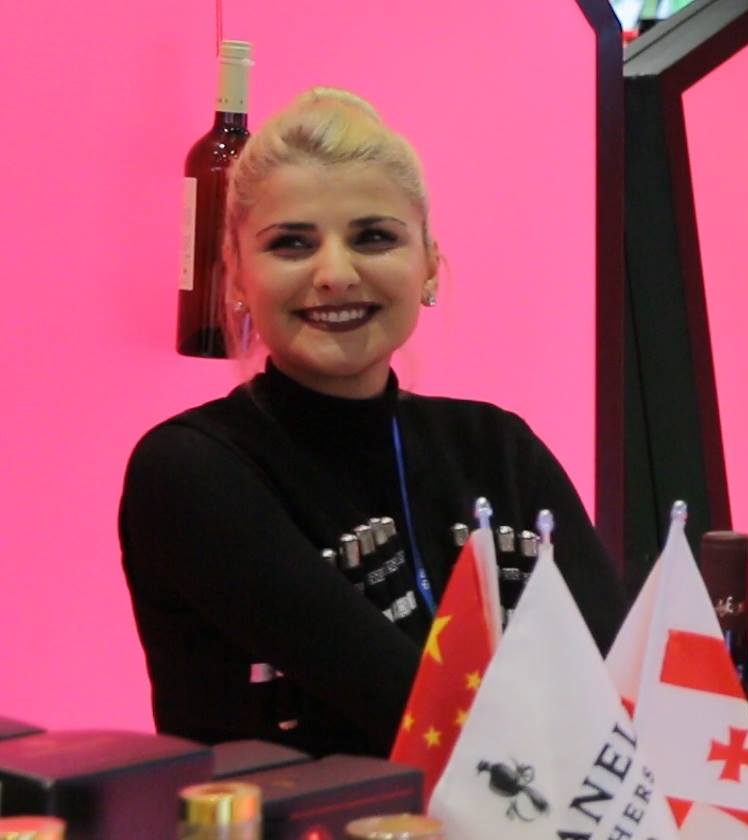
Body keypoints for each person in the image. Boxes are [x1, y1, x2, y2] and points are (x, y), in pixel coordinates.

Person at [121, 88, 625, 755]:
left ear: (429, 266)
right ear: (237, 276)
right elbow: (409, 715)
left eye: (374, 238)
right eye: (291, 244)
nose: (335, 273)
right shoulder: (192, 471)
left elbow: (622, 687)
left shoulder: (500, 450)